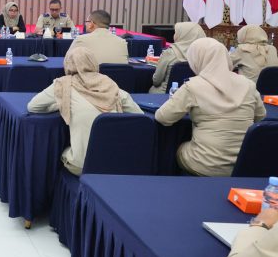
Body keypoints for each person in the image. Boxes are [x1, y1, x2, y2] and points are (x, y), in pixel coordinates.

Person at [155, 38, 265, 177]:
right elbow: (260, 116)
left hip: (205, 164)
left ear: (196, 60)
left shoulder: (193, 86)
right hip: (243, 163)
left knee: (177, 148)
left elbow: (163, 117)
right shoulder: (248, 84)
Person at [27, 47, 143, 175]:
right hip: (116, 164)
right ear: (93, 62)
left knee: (58, 152)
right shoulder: (110, 84)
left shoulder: (63, 85)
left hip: (83, 166)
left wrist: (62, 102)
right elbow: (139, 117)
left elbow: (33, 106)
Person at [149, 22, 206, 93]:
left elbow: (156, 81)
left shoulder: (170, 53)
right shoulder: (205, 54)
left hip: (167, 94)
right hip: (194, 95)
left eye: (176, 33)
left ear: (183, 35)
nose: (174, 36)